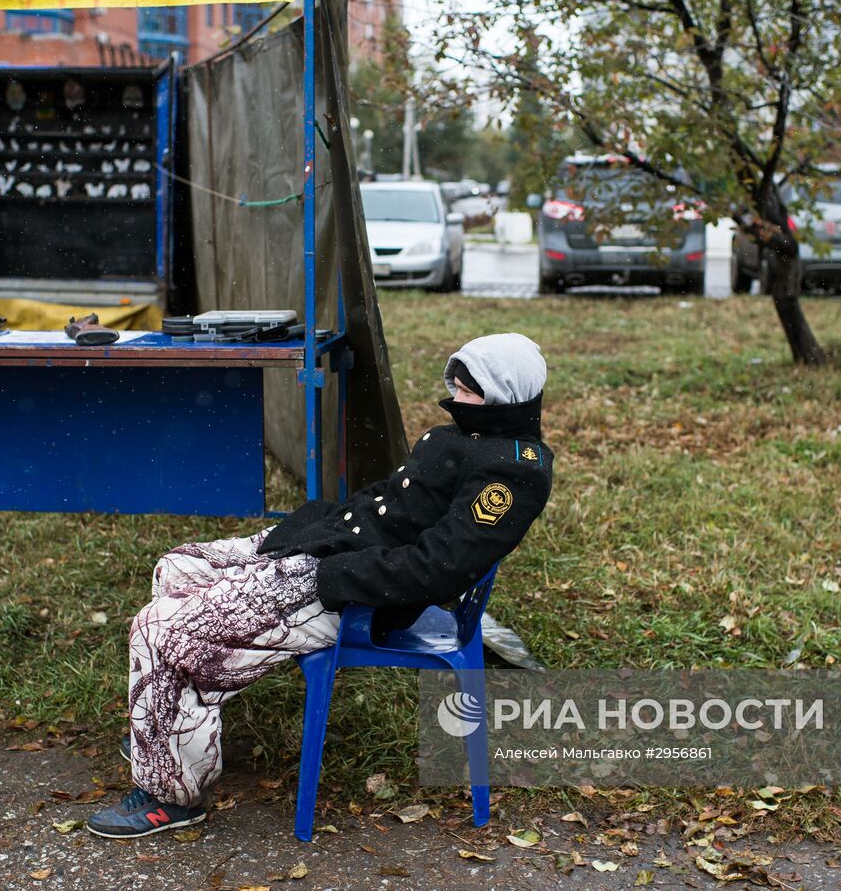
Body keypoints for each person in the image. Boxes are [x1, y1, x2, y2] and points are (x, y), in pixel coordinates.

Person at [87, 332, 555, 838]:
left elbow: (438, 567)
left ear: (505, 394)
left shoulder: (511, 471)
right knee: (178, 568)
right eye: (457, 387)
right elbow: (387, 501)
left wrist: (328, 575)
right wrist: (311, 532)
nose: (456, 400)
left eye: (469, 391)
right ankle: (176, 721)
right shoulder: (459, 437)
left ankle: (172, 796)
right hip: (331, 549)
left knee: (160, 631)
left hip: (352, 593)